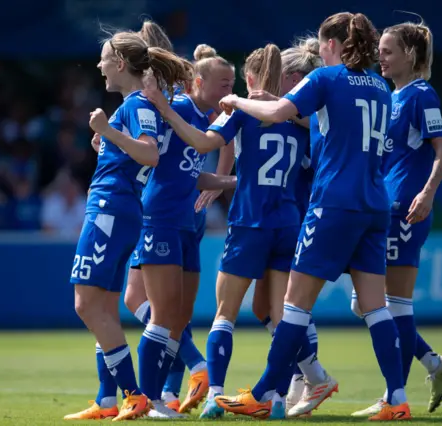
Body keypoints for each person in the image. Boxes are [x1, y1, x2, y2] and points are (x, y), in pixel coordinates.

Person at [213, 12, 412, 421]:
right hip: (375, 203)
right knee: (377, 308)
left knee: (294, 304)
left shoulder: (327, 78)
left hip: (334, 202)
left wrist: (235, 100)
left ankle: (266, 391)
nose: (318, 52)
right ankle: (397, 398)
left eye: (321, 45)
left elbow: (274, 115)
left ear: (332, 45)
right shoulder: (380, 86)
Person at [144, 43, 311, 420]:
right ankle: (279, 399)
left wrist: (165, 108)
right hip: (288, 223)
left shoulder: (240, 113)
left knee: (225, 314)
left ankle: (214, 396)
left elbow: (203, 142)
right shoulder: (297, 115)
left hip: (250, 222)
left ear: (248, 79)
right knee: (283, 317)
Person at [64, 29, 192, 422]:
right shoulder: (135, 106)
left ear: (120, 63)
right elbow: (139, 151)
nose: (100, 65)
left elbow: (150, 155)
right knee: (103, 306)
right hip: (121, 210)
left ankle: (135, 396)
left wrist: (107, 132)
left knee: (86, 303)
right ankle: (107, 403)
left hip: (110, 209)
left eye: (104, 59)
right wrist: (110, 142)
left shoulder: (136, 104)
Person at [350, 19, 442, 417]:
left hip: (406, 209)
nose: (381, 55)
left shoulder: (421, 96)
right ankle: (433, 365)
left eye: (389, 50)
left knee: (389, 304)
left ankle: (394, 396)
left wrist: (427, 194)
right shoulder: (389, 96)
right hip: (385, 207)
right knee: (369, 304)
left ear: (410, 56)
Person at [126, 43, 236, 419]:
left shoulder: (202, 119)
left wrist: (230, 182)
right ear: (199, 82)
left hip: (185, 222)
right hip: (160, 217)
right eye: (223, 84)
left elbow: (191, 173)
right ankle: (151, 399)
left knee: (180, 316)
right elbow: (145, 145)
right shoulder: (177, 110)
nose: (228, 91)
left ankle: (164, 395)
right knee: (163, 313)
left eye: (232, 84)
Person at [247, 38, 336, 418]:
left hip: (298, 217)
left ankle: (298, 383)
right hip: (284, 216)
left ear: (296, 78)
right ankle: (307, 376)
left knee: (286, 307)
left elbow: (310, 124)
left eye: (281, 78)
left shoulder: (315, 115)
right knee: (266, 308)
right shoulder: (293, 114)